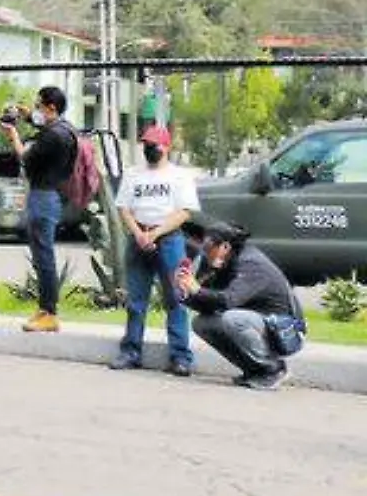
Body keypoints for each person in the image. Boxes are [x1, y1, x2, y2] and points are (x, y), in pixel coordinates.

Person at [110, 124, 198, 375]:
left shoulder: (179, 176)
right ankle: (130, 351)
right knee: (136, 300)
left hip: (169, 239)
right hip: (138, 238)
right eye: (146, 145)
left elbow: (184, 212)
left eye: (154, 145)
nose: (149, 149)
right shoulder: (133, 174)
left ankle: (180, 356)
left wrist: (155, 234)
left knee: (176, 299)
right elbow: (124, 208)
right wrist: (138, 234)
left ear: (166, 147)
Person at [179, 220, 304, 390]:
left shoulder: (251, 263)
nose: (205, 254)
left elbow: (228, 301)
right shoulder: (218, 262)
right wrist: (186, 292)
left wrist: (198, 290)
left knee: (232, 319)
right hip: (257, 322)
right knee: (202, 323)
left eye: (208, 249)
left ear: (224, 247)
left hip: (286, 330)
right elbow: (207, 304)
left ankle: (274, 369)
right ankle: (254, 370)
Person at [0, 86, 78, 333]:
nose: (35, 110)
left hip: (42, 197)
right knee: (43, 255)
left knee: (43, 258)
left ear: (50, 107)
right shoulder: (66, 129)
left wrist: (13, 134)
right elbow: (44, 127)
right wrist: (26, 115)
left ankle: (49, 312)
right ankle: (46, 310)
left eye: (38, 106)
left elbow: (25, 156)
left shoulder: (52, 136)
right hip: (51, 194)